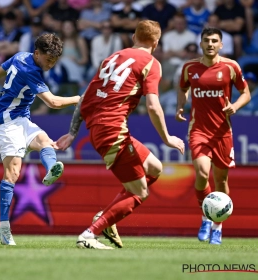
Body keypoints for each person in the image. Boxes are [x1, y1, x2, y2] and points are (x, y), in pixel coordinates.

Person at [55, 20, 185, 249]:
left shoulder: (112, 57)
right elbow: (154, 106)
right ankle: (89, 234)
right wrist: (167, 138)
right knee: (140, 191)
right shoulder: (151, 63)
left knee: (154, 168)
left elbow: (85, 97)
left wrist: (72, 132)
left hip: (102, 127)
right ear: (156, 43)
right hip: (112, 129)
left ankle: (107, 219)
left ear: (134, 37)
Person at [0, 33, 80, 246]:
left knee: (46, 142)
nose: (50, 65)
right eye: (48, 60)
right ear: (37, 53)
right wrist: (79, 99)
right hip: (6, 123)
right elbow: (53, 103)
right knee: (12, 173)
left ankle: (50, 169)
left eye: (54, 61)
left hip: (21, 118)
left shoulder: (21, 55)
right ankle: (3, 228)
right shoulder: (31, 70)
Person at [176, 27, 251, 245]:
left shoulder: (231, 66)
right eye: (207, 40)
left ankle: (218, 227)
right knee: (201, 173)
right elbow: (182, 88)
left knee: (221, 179)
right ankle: (206, 217)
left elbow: (245, 92)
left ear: (221, 44)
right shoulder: (190, 67)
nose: (210, 44)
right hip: (198, 129)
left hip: (222, 131)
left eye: (214, 41)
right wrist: (181, 106)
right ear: (200, 43)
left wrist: (235, 106)